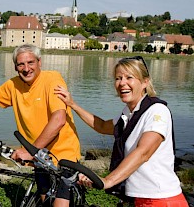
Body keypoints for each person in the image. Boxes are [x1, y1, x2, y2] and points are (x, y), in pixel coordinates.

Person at [0, 44, 81, 206]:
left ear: (39, 62)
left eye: (30, 62)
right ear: (15, 67)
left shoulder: (52, 79)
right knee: (45, 201)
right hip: (39, 156)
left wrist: (31, 151)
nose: (26, 68)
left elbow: (59, 119)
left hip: (64, 155)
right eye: (21, 64)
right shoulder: (14, 85)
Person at [54, 56, 189, 207]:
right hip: (137, 198)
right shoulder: (129, 114)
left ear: (145, 82)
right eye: (118, 78)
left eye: (129, 77)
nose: (122, 83)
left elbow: (143, 152)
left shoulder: (157, 111)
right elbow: (102, 126)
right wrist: (72, 104)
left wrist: (108, 180)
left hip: (161, 199)